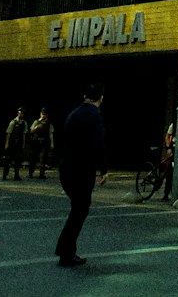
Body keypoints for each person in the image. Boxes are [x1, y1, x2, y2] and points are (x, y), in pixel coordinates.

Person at [54, 83, 108, 269]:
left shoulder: (74, 113)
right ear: (100, 97)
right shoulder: (94, 115)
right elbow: (98, 142)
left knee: (77, 209)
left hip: (67, 167)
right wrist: (103, 170)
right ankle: (65, 253)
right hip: (82, 170)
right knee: (80, 210)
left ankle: (65, 251)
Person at [28, 107, 54, 179]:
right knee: (33, 158)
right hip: (36, 142)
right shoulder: (36, 121)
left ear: (47, 115)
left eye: (45, 114)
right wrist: (36, 127)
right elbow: (31, 131)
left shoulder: (49, 123)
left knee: (43, 159)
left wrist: (52, 143)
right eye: (42, 114)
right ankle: (30, 173)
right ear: (40, 114)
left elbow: (50, 133)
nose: (43, 115)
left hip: (44, 142)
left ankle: (41, 174)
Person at [3, 108, 28, 181]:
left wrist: (23, 144)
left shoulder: (24, 123)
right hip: (12, 143)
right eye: (19, 113)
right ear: (18, 113)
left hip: (19, 143)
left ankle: (16, 175)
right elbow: (8, 133)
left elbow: (24, 134)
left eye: (22, 113)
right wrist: (7, 143)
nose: (20, 114)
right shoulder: (13, 122)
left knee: (18, 160)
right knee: (7, 159)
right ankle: (5, 174)